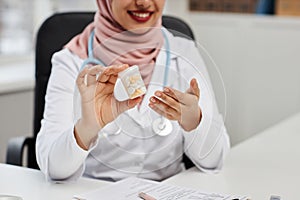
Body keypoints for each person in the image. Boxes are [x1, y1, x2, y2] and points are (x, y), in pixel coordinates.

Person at [36, 0, 230, 182]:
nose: (144, 3)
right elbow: (53, 169)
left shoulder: (184, 53)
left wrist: (194, 122)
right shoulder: (71, 61)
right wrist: (86, 128)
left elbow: (215, 160)